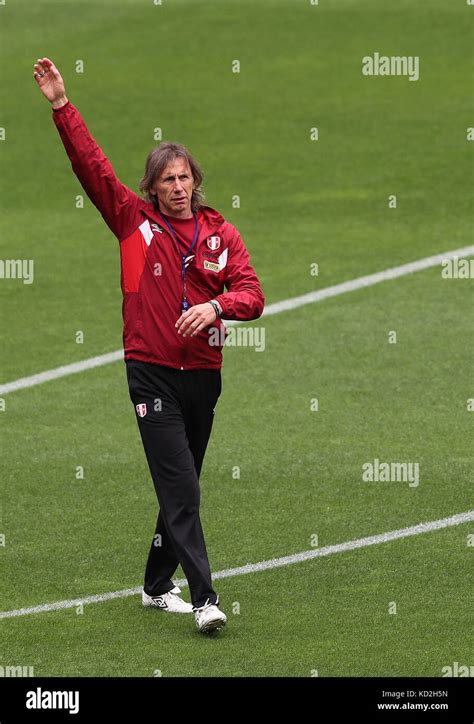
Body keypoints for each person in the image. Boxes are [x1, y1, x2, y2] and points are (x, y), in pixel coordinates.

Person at [33, 57, 265, 634]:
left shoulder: (220, 233)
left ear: (196, 182)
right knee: (183, 485)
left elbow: (252, 293)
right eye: (168, 180)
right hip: (151, 373)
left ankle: (156, 584)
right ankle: (206, 599)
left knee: (182, 480)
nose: (179, 188)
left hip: (204, 375)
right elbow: (92, 167)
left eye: (185, 178)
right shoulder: (131, 221)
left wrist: (217, 306)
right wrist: (63, 106)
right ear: (152, 188)